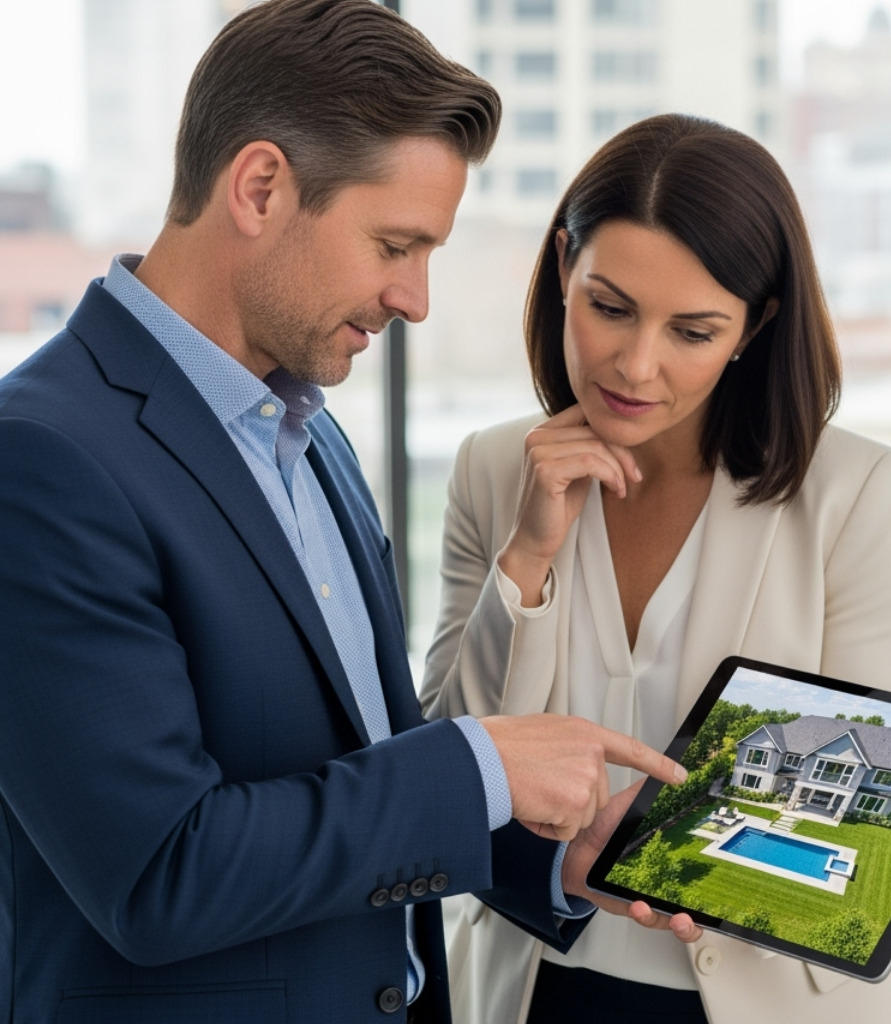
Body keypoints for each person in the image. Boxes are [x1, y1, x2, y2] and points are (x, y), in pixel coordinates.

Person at [0, 2, 691, 1021]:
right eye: (394, 244)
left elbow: (350, 775)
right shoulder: (43, 458)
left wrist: (540, 845)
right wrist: (480, 765)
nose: (413, 297)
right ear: (261, 186)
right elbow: (156, 875)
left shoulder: (309, 433)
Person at [419, 114, 891, 1024]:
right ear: (562, 273)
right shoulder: (495, 469)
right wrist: (531, 559)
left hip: (776, 996)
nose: (636, 364)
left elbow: (883, 813)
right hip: (537, 984)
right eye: (610, 306)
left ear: (754, 326)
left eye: (693, 331)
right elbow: (447, 768)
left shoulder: (853, 493)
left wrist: (643, 843)